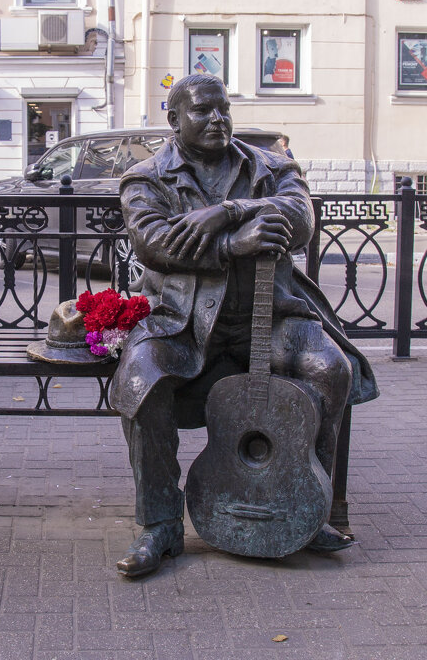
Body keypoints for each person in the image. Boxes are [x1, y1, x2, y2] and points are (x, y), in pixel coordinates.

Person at [111, 74, 379, 579]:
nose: (217, 119)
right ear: (173, 120)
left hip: (269, 315)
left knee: (330, 368)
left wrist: (228, 210)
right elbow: (154, 244)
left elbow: (299, 219)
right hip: (181, 322)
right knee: (141, 379)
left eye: (223, 109)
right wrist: (234, 244)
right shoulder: (147, 178)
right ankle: (160, 526)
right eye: (201, 111)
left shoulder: (268, 166)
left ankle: (310, 509)